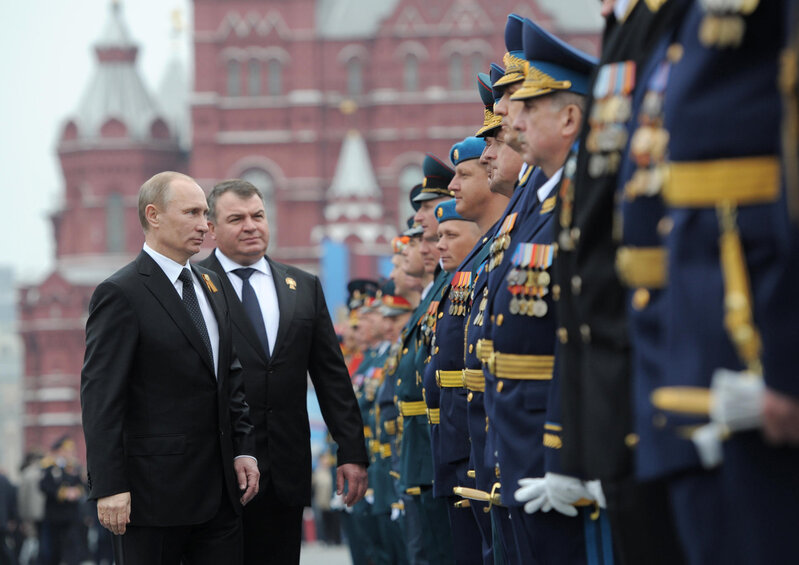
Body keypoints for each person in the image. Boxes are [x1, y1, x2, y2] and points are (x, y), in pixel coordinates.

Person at [81, 171, 260, 565]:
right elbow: (102, 397)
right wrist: (109, 485)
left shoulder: (211, 285)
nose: (204, 225)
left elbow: (228, 378)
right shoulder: (121, 293)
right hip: (151, 500)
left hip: (220, 498)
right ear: (154, 215)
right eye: (193, 213)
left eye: (206, 214)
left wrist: (244, 451)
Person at [199, 179, 368, 565]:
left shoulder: (303, 287)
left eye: (258, 215)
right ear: (211, 228)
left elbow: (331, 376)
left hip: (285, 474)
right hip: (217, 472)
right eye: (236, 218)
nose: (251, 226)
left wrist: (353, 452)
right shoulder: (195, 286)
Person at [38, 437, 85, 565]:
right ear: (59, 451)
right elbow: (44, 486)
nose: (69, 453)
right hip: (55, 515)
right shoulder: (49, 467)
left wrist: (76, 492)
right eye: (66, 450)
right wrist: (63, 493)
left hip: (71, 515)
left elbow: (82, 485)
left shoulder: (74, 467)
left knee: (72, 547)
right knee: (54, 548)